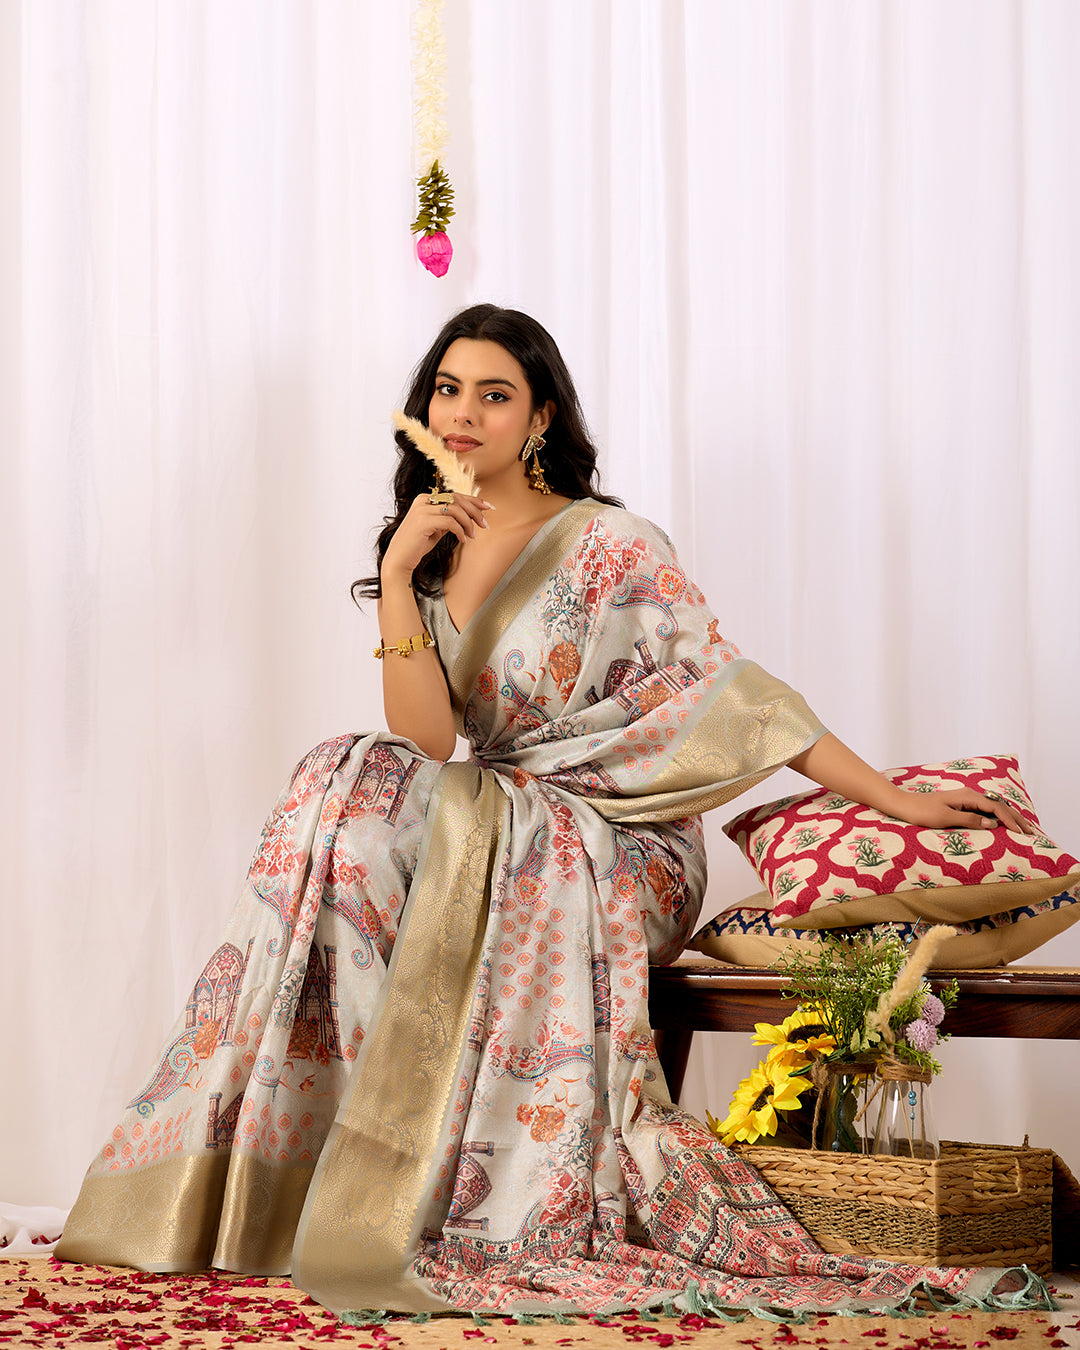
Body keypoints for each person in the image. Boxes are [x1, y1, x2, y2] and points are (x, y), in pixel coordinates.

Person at [57, 305, 1043, 1320]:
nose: (464, 413)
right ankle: (348, 1168)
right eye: (448, 390)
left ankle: (425, 1180)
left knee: (359, 787)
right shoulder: (429, 551)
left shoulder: (611, 543)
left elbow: (735, 696)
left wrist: (896, 799)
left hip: (618, 844)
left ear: (539, 418)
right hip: (489, 818)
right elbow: (425, 739)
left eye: (494, 395)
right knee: (344, 785)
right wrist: (396, 574)